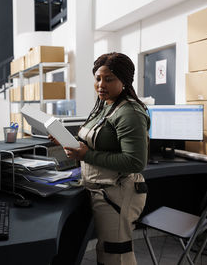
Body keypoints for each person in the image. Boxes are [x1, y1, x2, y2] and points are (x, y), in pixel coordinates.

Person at [49, 52, 150, 265]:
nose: (101, 84)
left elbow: (135, 162)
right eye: (98, 78)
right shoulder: (104, 105)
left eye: (109, 79)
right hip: (100, 189)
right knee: (105, 251)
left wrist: (87, 155)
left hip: (119, 193)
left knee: (116, 254)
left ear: (124, 80)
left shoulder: (130, 112)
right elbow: (97, 139)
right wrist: (67, 141)